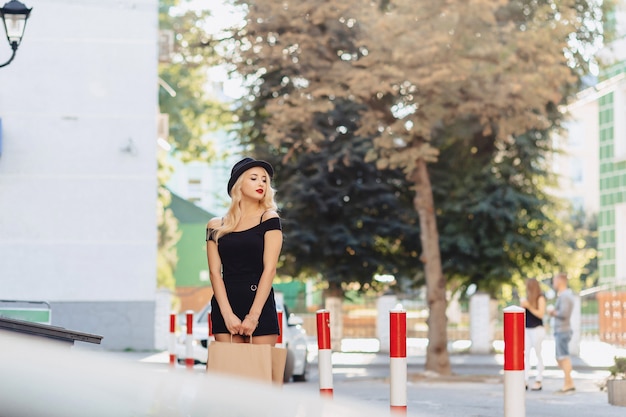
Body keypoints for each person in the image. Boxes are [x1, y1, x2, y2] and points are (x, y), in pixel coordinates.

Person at [205, 157, 283, 346]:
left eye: (264, 180)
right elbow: (215, 273)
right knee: (229, 373)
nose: (261, 184)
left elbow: (270, 269)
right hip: (225, 304)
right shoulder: (216, 225)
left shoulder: (269, 219)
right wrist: (227, 315)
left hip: (259, 304)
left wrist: (253, 316)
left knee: (259, 373)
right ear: (238, 185)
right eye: (254, 178)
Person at [549, 272, 576, 393]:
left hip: (563, 330)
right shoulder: (564, 295)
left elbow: (564, 314)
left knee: (563, 357)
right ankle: (569, 382)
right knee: (561, 357)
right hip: (561, 330)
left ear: (560, 281)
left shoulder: (565, 296)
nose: (553, 283)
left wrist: (552, 312)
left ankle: (568, 383)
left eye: (554, 280)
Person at [520, 278, 546, 391]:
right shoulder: (526, 299)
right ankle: (525, 379)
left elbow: (540, 314)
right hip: (527, 329)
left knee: (538, 354)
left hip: (537, 329)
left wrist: (529, 306)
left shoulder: (540, 298)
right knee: (525, 355)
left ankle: (538, 379)